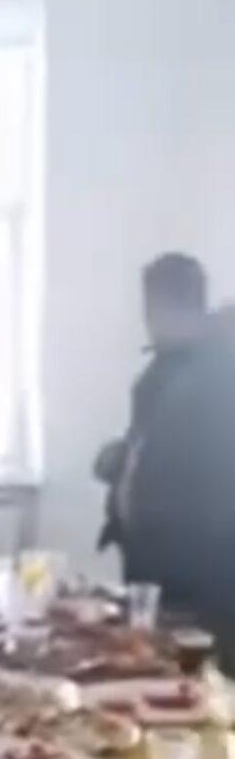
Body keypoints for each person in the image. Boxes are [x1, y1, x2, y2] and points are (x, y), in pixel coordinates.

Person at [122, 304, 235, 670]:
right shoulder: (169, 374)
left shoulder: (210, 379)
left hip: (200, 555)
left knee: (204, 659)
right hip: (167, 549)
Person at [95, 252, 209, 575]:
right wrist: (120, 459)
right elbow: (147, 444)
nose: (147, 320)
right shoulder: (157, 373)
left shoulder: (215, 376)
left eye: (152, 307)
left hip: (189, 560)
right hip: (146, 549)